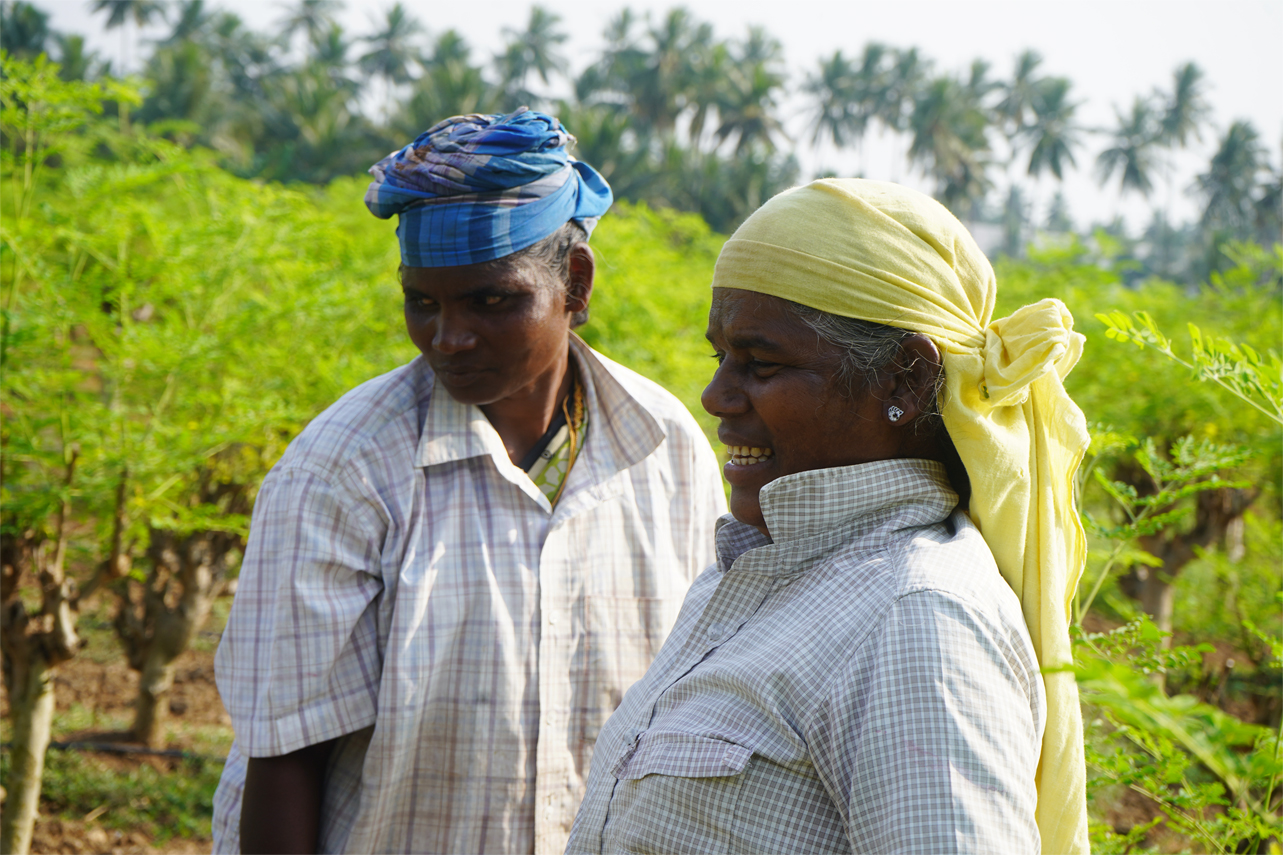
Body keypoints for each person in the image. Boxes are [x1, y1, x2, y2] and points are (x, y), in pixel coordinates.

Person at [211, 110, 726, 855]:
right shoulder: (344, 469)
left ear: (574, 284)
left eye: (491, 300)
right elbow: (287, 753)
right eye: (423, 302)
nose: (449, 337)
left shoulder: (663, 449)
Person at [567, 179, 1090, 854]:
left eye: (760, 363)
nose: (716, 394)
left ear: (902, 379)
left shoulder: (915, 618)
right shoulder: (751, 575)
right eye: (718, 355)